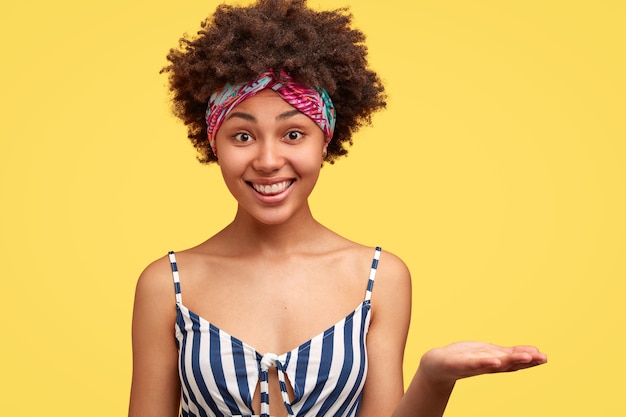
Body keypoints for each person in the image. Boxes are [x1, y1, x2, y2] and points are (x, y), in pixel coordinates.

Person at [128, 1, 547, 416]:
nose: (269, 160)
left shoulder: (379, 278)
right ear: (213, 144)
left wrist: (434, 379)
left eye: (293, 133)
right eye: (242, 136)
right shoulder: (166, 285)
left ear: (325, 139)